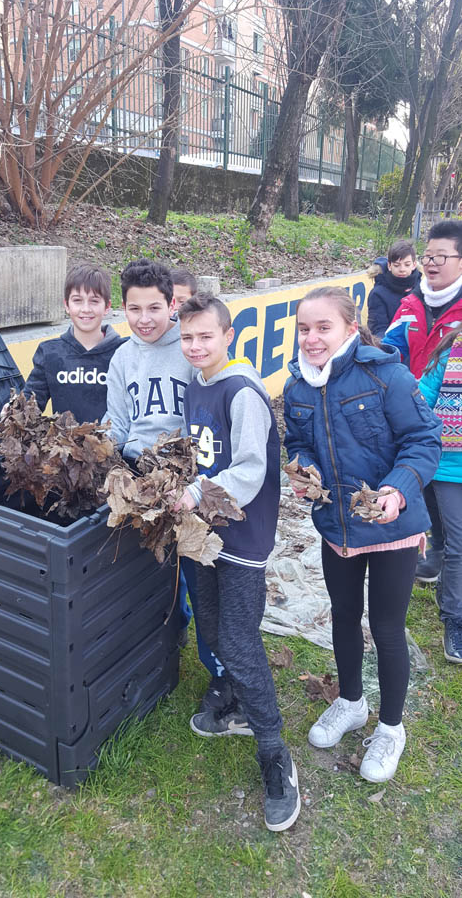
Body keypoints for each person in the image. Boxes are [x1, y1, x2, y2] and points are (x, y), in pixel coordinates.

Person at [284, 286, 441, 783]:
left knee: (387, 626)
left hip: (392, 526)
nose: (311, 338)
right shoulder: (296, 388)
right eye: (304, 329)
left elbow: (424, 440)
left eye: (323, 327)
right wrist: (302, 470)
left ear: (351, 328)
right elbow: (298, 442)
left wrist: (396, 490)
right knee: (345, 616)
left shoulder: (386, 375)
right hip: (338, 529)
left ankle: (391, 728)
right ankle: (351, 702)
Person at [173, 294, 300, 833]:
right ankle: (234, 704)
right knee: (212, 625)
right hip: (205, 534)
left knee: (241, 643)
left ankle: (275, 755)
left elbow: (248, 469)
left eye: (206, 336)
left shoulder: (243, 392)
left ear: (229, 336)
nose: (195, 346)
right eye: (187, 338)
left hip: (241, 539)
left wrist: (198, 491)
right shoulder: (197, 385)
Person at [103, 258, 227, 705]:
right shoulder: (122, 356)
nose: (144, 319)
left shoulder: (191, 347)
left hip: (187, 477)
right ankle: (164, 644)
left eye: (154, 308)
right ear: (123, 308)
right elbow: (116, 422)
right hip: (140, 477)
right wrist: (100, 453)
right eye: (134, 309)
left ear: (172, 303)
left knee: (199, 575)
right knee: (149, 571)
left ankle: (221, 673)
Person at [384, 220, 462, 583]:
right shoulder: (409, 304)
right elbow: (388, 353)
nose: (430, 263)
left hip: (454, 422)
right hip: (413, 413)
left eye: (441, 256)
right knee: (425, 482)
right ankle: (438, 549)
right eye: (427, 255)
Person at [23, 263, 126, 422]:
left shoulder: (124, 351)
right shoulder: (49, 352)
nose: (85, 309)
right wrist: (14, 411)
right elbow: (31, 403)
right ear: (67, 306)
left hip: (113, 444)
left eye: (94, 301)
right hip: (63, 445)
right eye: (77, 300)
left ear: (107, 307)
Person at [419, 324, 462, 663]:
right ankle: (454, 620)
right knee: (457, 543)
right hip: (448, 465)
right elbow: (420, 403)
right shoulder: (449, 355)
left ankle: (437, 564)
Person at [367, 240, 420, 339]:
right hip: (391, 343)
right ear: (389, 266)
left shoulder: (422, 287)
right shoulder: (378, 294)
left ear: (414, 265)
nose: (402, 269)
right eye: (397, 265)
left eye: (407, 264)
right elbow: (378, 329)